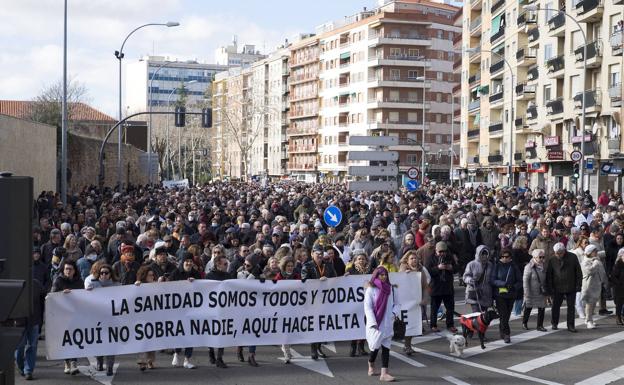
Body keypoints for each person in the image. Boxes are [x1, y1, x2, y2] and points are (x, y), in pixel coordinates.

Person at [301, 245, 336, 359]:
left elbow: (335, 278)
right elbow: (304, 282)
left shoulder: (329, 265)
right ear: (312, 254)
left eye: (321, 254)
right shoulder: (307, 266)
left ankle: (319, 347)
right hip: (312, 301)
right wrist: (318, 282)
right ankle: (313, 349)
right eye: (317, 254)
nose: (320, 256)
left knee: (323, 325)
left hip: (326, 300)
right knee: (314, 325)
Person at [85, 263, 120, 375]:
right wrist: (87, 291)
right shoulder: (92, 283)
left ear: (110, 274)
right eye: (101, 273)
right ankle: (99, 362)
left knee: (111, 343)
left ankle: (109, 367)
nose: (103, 275)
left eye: (106, 273)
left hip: (112, 319)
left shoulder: (117, 285)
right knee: (98, 342)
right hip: (97, 319)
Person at [364, 266, 397, 382]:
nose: (384, 276)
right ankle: (371, 362)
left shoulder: (391, 289)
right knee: (375, 347)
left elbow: (397, 303)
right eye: (381, 274)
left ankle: (384, 373)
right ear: (376, 276)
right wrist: (373, 322)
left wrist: (393, 313)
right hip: (376, 324)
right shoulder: (371, 290)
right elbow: (368, 308)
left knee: (386, 347)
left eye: (385, 274)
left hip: (388, 321)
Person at [50, 260, 83, 375]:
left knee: (75, 338)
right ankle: (67, 362)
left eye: (70, 269)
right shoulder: (58, 280)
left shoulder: (79, 281)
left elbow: (83, 297)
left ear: (74, 271)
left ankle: (74, 362)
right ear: (63, 270)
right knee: (65, 339)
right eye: (66, 269)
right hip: (62, 315)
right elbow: (52, 296)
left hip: (76, 314)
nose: (68, 271)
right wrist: (61, 294)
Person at [171, 254, 201, 369]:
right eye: (186, 261)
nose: (189, 263)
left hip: (192, 309)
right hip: (178, 309)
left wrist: (195, 283)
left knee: (191, 334)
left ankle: (187, 359)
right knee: (179, 332)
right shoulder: (175, 273)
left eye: (190, 261)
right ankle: (176, 353)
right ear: (182, 262)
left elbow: (202, 289)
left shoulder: (196, 274)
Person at [546, 242, 582, 332]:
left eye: (560, 253)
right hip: (557, 287)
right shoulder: (552, 259)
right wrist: (550, 289)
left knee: (571, 307)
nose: (558, 255)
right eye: (556, 253)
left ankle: (571, 325)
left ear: (564, 251)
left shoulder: (572, 257)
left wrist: (578, 285)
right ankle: (554, 323)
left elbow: (578, 272)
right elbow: (549, 275)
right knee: (555, 306)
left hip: (571, 285)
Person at [399, 250, 430, 355]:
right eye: (411, 258)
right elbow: (398, 282)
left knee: (414, 324)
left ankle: (408, 344)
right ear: (407, 261)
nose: (414, 260)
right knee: (407, 324)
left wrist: (425, 299)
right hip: (405, 302)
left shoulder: (421, 270)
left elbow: (425, 286)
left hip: (417, 302)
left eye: (415, 258)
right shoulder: (403, 269)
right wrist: (405, 275)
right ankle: (406, 345)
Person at [14, 276, 43, 381]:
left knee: (32, 346)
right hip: (19, 321)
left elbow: (42, 302)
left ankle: (28, 370)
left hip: (34, 320)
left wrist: (40, 320)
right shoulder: (15, 284)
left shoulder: (36, 284)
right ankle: (21, 367)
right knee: (19, 347)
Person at [204, 253, 230, 368]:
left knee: (222, 334)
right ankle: (211, 351)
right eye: (225, 264)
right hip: (211, 310)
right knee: (211, 333)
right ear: (218, 264)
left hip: (224, 310)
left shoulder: (228, 276)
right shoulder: (209, 276)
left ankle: (219, 358)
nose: (226, 265)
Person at [490, 248, 522, 343]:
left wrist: (514, 287)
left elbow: (520, 281)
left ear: (510, 257)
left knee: (506, 316)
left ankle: (502, 330)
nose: (504, 258)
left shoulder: (514, 266)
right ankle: (507, 334)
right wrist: (502, 283)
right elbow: (493, 280)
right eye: (502, 256)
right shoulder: (497, 266)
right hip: (499, 294)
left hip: (511, 294)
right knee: (503, 314)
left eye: (507, 256)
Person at [344, 250, 372, 357]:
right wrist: (345, 277)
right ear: (355, 261)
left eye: (363, 259)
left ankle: (361, 347)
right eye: (359, 259)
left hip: (367, 302)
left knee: (365, 323)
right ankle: (353, 346)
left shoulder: (370, 271)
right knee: (355, 323)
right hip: (354, 304)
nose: (361, 261)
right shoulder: (350, 271)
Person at [426, 241, 457, 333]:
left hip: (447, 286)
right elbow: (428, 271)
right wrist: (438, 268)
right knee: (434, 308)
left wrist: (451, 268)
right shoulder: (430, 258)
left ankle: (450, 324)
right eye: (440, 252)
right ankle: (433, 325)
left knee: (450, 308)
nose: (442, 253)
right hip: (436, 287)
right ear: (436, 250)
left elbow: (456, 268)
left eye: (444, 251)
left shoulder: (449, 257)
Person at [275, 257, 300, 363]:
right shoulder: (279, 276)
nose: (290, 268)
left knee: (291, 331)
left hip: (295, 308)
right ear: (284, 266)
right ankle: (286, 353)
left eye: (291, 266)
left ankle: (285, 347)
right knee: (285, 331)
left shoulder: (296, 276)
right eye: (288, 266)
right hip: (283, 308)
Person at [134, 265, 158, 370]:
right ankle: (142, 361)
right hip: (141, 318)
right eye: (149, 275)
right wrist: (136, 286)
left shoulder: (156, 286)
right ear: (144, 276)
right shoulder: (139, 286)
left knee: (151, 340)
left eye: (153, 275)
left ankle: (150, 361)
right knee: (143, 338)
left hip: (153, 317)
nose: (151, 277)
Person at [581, 245, 608, 329]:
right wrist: (596, 263)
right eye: (594, 251)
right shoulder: (585, 261)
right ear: (590, 252)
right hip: (589, 286)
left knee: (593, 303)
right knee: (590, 303)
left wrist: (604, 281)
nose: (596, 252)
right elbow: (590, 271)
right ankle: (589, 321)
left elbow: (602, 271)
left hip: (597, 284)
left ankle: (588, 319)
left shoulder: (596, 259)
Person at [522, 249, 548, 332]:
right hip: (531, 291)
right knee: (528, 307)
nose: (542, 259)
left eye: (543, 257)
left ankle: (540, 325)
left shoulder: (544, 266)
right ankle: (524, 323)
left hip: (541, 291)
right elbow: (525, 281)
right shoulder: (529, 267)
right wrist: (526, 292)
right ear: (534, 257)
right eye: (540, 257)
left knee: (542, 308)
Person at [463, 245, 494, 312]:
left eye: (486, 254)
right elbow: (465, 277)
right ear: (478, 253)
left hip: (486, 293)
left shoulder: (490, 265)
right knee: (477, 314)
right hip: (475, 291)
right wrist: (470, 280)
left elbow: (492, 278)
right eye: (482, 253)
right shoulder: (471, 264)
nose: (484, 256)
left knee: (484, 317)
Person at [611, 248, 624, 325]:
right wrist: (619, 284)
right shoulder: (618, 264)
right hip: (620, 288)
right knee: (619, 304)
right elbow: (613, 276)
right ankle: (618, 318)